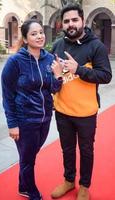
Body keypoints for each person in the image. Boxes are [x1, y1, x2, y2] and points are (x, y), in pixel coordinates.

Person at [50, 3, 112, 200]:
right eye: (67, 21)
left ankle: (84, 185)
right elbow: (52, 74)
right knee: (66, 148)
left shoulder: (96, 46)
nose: (71, 24)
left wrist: (79, 69)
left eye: (75, 20)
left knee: (86, 150)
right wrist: (56, 76)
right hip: (62, 109)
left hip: (86, 112)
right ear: (62, 24)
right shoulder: (58, 45)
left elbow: (105, 76)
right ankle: (69, 180)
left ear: (82, 21)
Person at [1, 19, 63, 200]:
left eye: (41, 32)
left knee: (28, 156)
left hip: (44, 119)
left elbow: (52, 89)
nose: (39, 36)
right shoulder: (15, 62)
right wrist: (12, 124)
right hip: (24, 120)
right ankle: (30, 190)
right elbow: (8, 95)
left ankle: (22, 185)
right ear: (26, 38)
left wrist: (58, 76)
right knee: (28, 160)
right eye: (33, 34)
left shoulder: (49, 59)